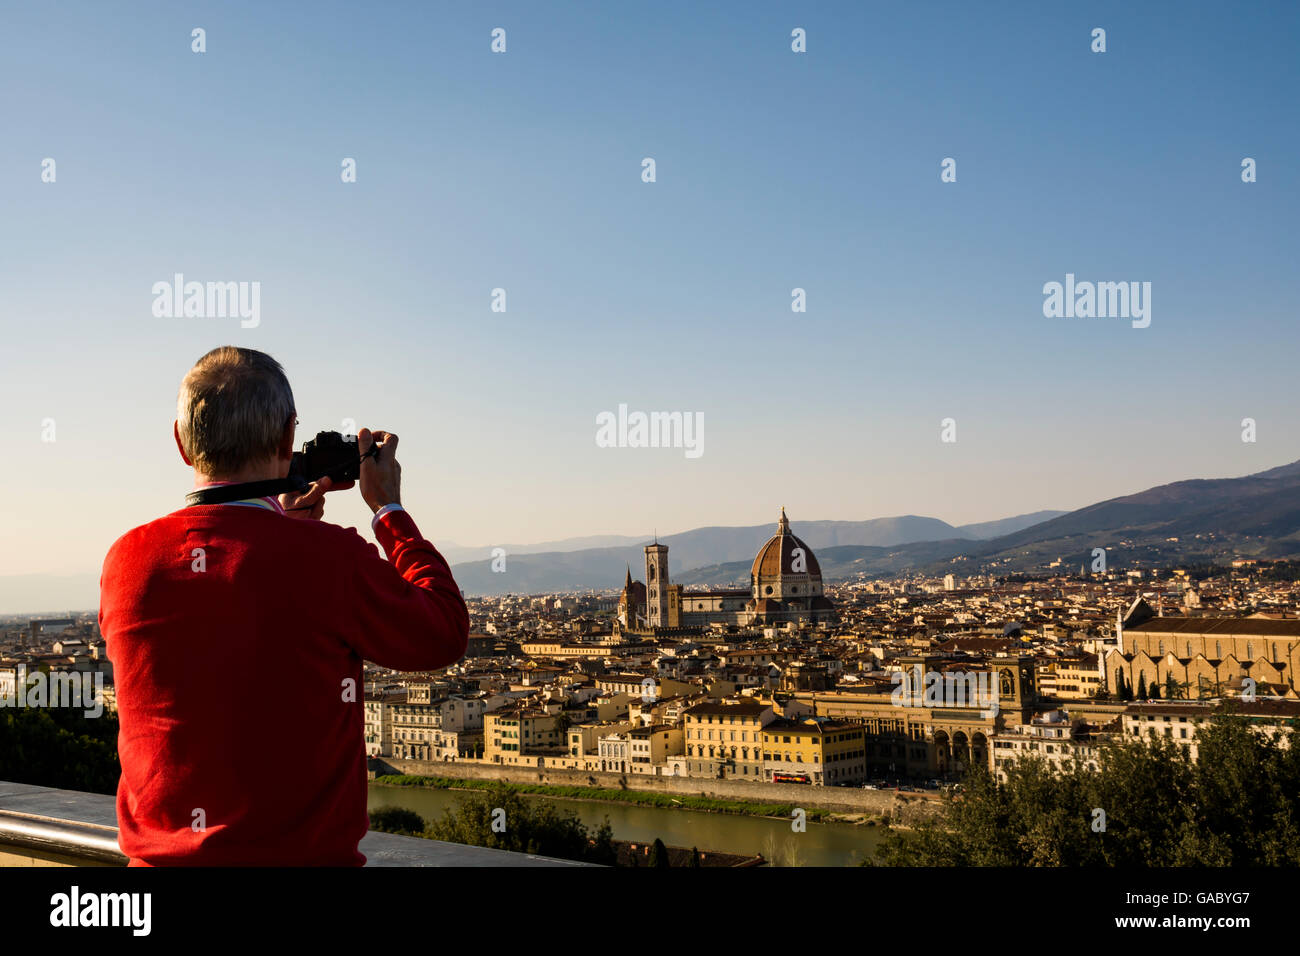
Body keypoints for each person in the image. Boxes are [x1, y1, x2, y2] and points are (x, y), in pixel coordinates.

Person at [99, 346, 469, 865]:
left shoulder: (125, 563)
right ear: (289, 436)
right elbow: (445, 630)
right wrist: (388, 508)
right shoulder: (328, 559)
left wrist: (279, 531)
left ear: (181, 442)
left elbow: (226, 609)